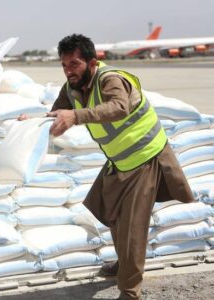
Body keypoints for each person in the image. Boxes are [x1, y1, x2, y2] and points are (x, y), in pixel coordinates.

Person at [46, 34, 195, 299]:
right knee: (107, 210)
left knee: (132, 228)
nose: (69, 70)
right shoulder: (71, 87)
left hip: (145, 156)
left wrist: (77, 116)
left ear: (92, 62)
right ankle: (123, 265)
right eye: (64, 65)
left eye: (74, 64)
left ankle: (130, 291)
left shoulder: (110, 79)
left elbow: (119, 107)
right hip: (120, 161)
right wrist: (32, 120)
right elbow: (57, 110)